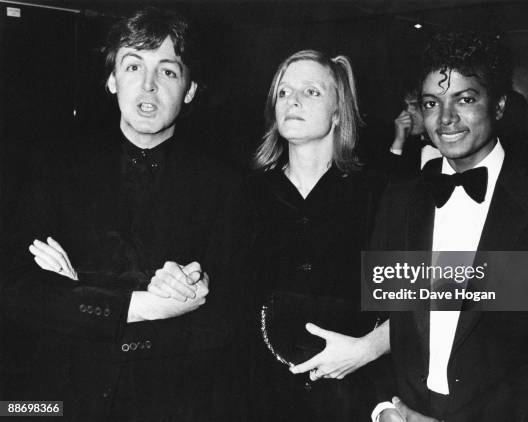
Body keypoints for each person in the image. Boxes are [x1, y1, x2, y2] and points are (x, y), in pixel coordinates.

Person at [1, 7, 245, 421]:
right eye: (133, 66)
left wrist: (80, 288)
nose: (148, 85)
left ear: (190, 89)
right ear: (113, 79)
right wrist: (144, 305)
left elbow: (230, 316)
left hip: (169, 402)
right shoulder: (54, 168)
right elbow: (14, 288)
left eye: (168, 71)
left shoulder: (226, 186)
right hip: (51, 400)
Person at [370, 31, 528, 422]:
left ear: (500, 105)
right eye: (431, 103)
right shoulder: (399, 199)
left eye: (465, 99)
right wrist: (385, 409)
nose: (446, 119)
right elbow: (377, 318)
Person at [246, 49, 390, 421]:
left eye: (311, 92)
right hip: (261, 396)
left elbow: (429, 293)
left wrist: (371, 347)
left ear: (339, 110)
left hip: (354, 398)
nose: (292, 100)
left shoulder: (381, 194)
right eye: (283, 92)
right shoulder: (244, 193)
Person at [389, 85, 440, 170]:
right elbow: (391, 180)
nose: (408, 111)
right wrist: (398, 142)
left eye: (415, 105)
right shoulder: (408, 147)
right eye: (405, 105)